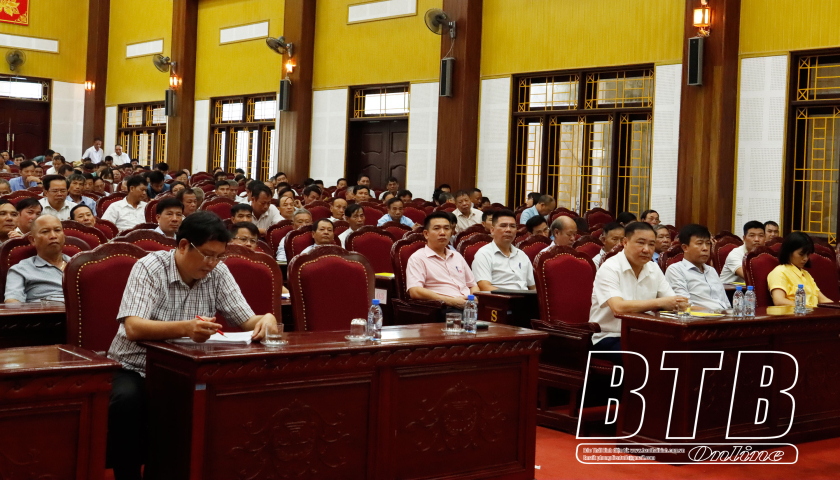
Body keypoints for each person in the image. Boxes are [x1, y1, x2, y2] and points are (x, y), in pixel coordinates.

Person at [105, 211, 278, 479]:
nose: (213, 263)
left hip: (189, 370)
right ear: (184, 245)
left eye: (219, 256)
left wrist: (266, 318)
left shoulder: (218, 272)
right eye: (208, 255)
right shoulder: (150, 267)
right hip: (135, 366)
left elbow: (246, 320)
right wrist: (186, 328)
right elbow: (134, 327)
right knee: (127, 401)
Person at [590, 222, 689, 363]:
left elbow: (673, 302)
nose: (646, 249)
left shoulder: (653, 268)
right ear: (625, 242)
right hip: (609, 337)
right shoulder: (610, 268)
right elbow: (618, 307)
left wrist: (679, 304)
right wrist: (660, 302)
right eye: (641, 243)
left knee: (683, 352)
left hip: (644, 335)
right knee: (647, 357)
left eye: (651, 244)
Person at [405, 211, 479, 309]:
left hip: (470, 306)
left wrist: (474, 299)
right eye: (437, 228)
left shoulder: (457, 256)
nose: (443, 233)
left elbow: (472, 285)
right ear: (426, 234)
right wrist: (450, 301)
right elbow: (415, 291)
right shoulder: (418, 258)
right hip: (444, 308)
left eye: (446, 228)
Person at [4, 216, 71, 303]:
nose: (53, 236)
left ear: (64, 236)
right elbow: (12, 303)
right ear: (33, 240)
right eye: (45, 231)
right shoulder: (21, 270)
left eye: (57, 230)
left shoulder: (80, 265)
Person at [664, 224, 730, 312]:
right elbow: (684, 306)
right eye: (699, 243)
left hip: (724, 316)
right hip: (701, 318)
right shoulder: (676, 270)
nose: (705, 248)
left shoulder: (711, 270)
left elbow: (726, 304)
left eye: (708, 243)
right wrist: (717, 313)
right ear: (685, 248)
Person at [472, 210, 535, 292]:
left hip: (526, 297)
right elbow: (484, 287)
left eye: (512, 226)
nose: (508, 230)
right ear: (492, 230)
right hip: (499, 298)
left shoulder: (521, 255)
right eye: (503, 226)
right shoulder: (484, 254)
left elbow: (533, 287)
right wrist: (513, 295)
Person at [768, 232, 834, 307]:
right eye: (801, 254)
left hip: (812, 312)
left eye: (808, 254)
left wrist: (836, 307)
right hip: (794, 313)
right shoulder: (780, 272)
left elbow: (823, 299)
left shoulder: (805, 274)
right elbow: (779, 301)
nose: (805, 258)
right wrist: (805, 308)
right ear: (789, 251)